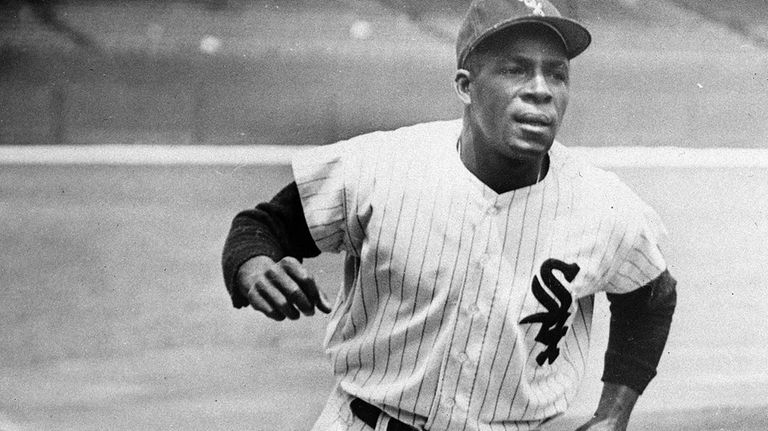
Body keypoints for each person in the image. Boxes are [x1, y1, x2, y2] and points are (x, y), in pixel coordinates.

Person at [221, 0, 677, 430]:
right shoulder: (382, 168)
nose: (540, 90)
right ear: (465, 85)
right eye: (516, 69)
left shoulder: (604, 206)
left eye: (556, 75)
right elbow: (261, 227)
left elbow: (651, 299)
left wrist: (614, 414)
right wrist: (254, 269)